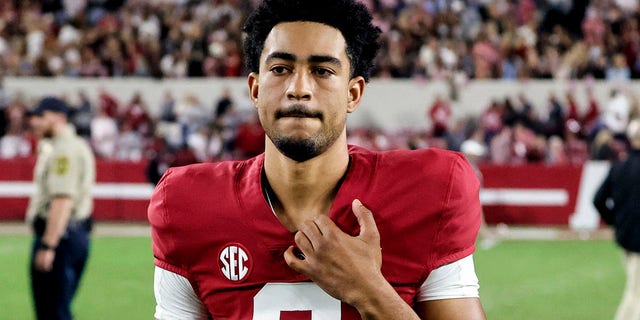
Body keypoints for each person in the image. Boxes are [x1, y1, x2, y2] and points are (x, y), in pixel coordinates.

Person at [148, 0, 486, 319]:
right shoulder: (187, 206)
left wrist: (369, 291)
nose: (299, 88)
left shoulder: (427, 193)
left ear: (353, 94)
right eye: (280, 68)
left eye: (322, 71)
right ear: (254, 89)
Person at [26, 97, 96, 320]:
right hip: (70, 235)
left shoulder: (63, 150)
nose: (34, 122)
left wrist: (48, 245)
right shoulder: (67, 146)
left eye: (41, 117)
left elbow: (62, 199)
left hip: (60, 236)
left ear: (59, 117)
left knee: (52, 312)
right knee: (57, 308)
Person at [593, 118, 640, 320]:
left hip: (626, 239)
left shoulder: (619, 167)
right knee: (636, 294)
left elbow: (598, 200)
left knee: (634, 289)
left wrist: (616, 221)